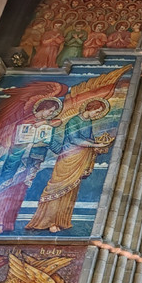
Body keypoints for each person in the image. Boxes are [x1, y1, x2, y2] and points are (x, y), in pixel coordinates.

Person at [0, 96, 63, 234]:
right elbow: (13, 141)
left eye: (53, 112)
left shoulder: (47, 124)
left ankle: (7, 222)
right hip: (16, 160)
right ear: (43, 108)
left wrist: (45, 125)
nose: (51, 114)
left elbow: (57, 124)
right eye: (50, 111)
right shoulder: (24, 121)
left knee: (20, 189)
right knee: (6, 187)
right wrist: (27, 142)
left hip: (32, 161)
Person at [26, 99, 114, 233]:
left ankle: (61, 221)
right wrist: (95, 144)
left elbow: (88, 139)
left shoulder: (88, 122)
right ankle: (47, 221)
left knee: (70, 190)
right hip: (68, 158)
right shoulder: (74, 121)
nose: (97, 115)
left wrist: (99, 143)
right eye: (97, 111)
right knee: (57, 187)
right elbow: (74, 139)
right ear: (90, 108)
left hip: (79, 159)